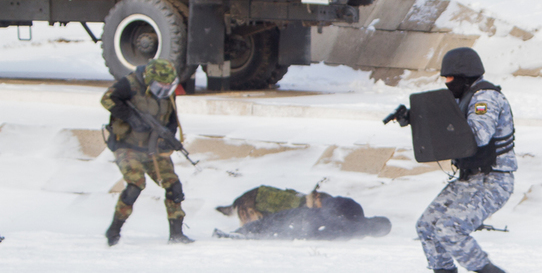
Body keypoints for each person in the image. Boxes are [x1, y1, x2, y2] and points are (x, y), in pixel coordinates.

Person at [388, 47, 515, 273]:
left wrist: (434, 120)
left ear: (464, 76)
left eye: (449, 79)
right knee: (427, 225)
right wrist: (414, 119)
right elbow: (449, 127)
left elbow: (477, 137)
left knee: (449, 227)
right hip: (470, 179)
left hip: (493, 179)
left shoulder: (486, 99)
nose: (447, 84)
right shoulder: (464, 97)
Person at [100, 58, 193, 246]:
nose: (165, 91)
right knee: (135, 185)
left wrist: (169, 139)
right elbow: (107, 99)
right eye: (161, 86)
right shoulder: (130, 83)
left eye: (169, 86)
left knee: (174, 186)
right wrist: (131, 118)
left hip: (152, 147)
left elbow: (171, 120)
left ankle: (176, 234)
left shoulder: (168, 93)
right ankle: (114, 230)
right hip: (126, 146)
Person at [214, 195, 391, 240]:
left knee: (270, 223)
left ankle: (239, 234)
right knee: (274, 230)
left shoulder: (356, 210)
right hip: (308, 229)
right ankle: (242, 235)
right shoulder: (356, 235)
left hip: (308, 217)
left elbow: (330, 203)